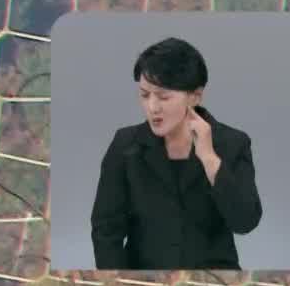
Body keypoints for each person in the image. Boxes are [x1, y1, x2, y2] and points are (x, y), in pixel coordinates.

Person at [89, 36, 263, 270]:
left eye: (163, 96)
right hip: (144, 282)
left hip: (214, 281)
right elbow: (106, 231)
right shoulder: (125, 145)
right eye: (144, 95)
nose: (152, 107)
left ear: (195, 96)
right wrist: (120, 283)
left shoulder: (232, 143)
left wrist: (210, 159)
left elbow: (245, 221)